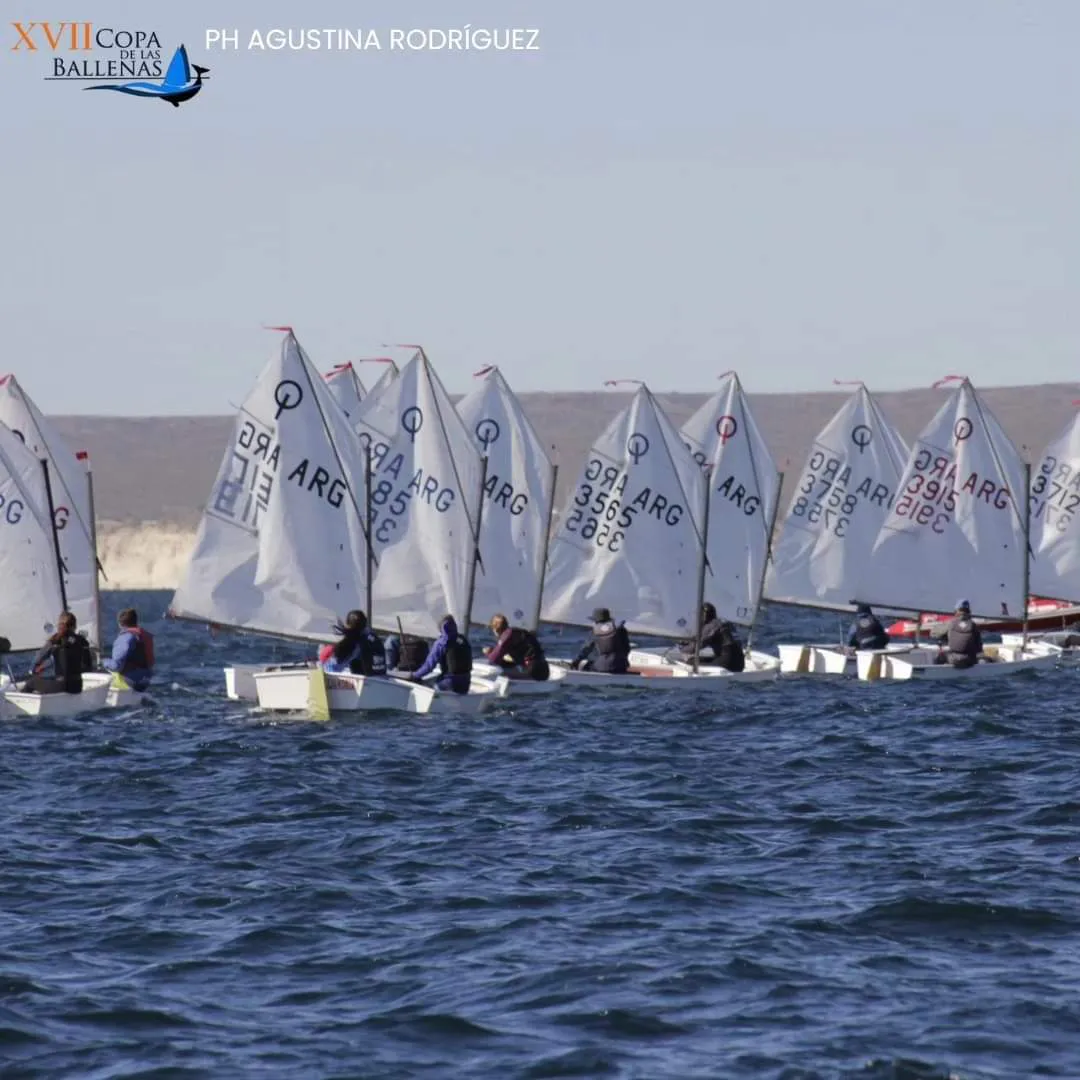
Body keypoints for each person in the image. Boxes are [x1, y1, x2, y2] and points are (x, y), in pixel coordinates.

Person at [21, 611, 95, 694]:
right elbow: (87, 666)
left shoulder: (56, 640)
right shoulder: (82, 641)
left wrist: (32, 669)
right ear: (75, 626)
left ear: (59, 625)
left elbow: (39, 658)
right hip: (77, 686)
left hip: (62, 686)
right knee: (54, 679)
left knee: (32, 682)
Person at [668, 602, 745, 672]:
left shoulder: (711, 625)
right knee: (702, 659)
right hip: (740, 663)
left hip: (727, 664)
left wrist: (682, 648)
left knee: (690, 661)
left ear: (703, 616)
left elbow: (696, 647)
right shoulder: (726, 623)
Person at [408, 614, 473, 694]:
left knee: (425, 688)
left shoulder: (441, 643)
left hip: (450, 683)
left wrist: (414, 675)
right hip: (465, 684)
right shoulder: (463, 639)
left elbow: (429, 666)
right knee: (438, 679)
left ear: (441, 628)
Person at [319, 610, 387, 676]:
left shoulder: (356, 644)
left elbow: (333, 669)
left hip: (369, 682)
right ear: (365, 623)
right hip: (382, 678)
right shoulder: (373, 637)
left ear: (348, 625)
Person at [101, 608, 155, 691]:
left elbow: (117, 666)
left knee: (101, 673)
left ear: (120, 624)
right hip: (145, 680)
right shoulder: (143, 635)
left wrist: (103, 662)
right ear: (135, 621)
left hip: (129, 680)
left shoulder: (126, 637)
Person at [484, 613, 550, 681]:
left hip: (533, 672)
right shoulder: (518, 632)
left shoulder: (506, 636)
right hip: (544, 670)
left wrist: (488, 653)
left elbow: (493, 660)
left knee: (498, 674)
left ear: (495, 630)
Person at [571, 607, 631, 673]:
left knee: (585, 666)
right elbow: (627, 649)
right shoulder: (621, 630)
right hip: (621, 666)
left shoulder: (595, 631)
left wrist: (576, 661)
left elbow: (586, 649)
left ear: (596, 621)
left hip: (603, 667)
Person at [933, 599, 983, 668]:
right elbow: (979, 648)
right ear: (969, 611)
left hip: (954, 660)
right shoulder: (974, 626)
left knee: (940, 657)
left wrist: (946, 637)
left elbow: (933, 633)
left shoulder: (950, 623)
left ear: (956, 610)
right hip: (970, 661)